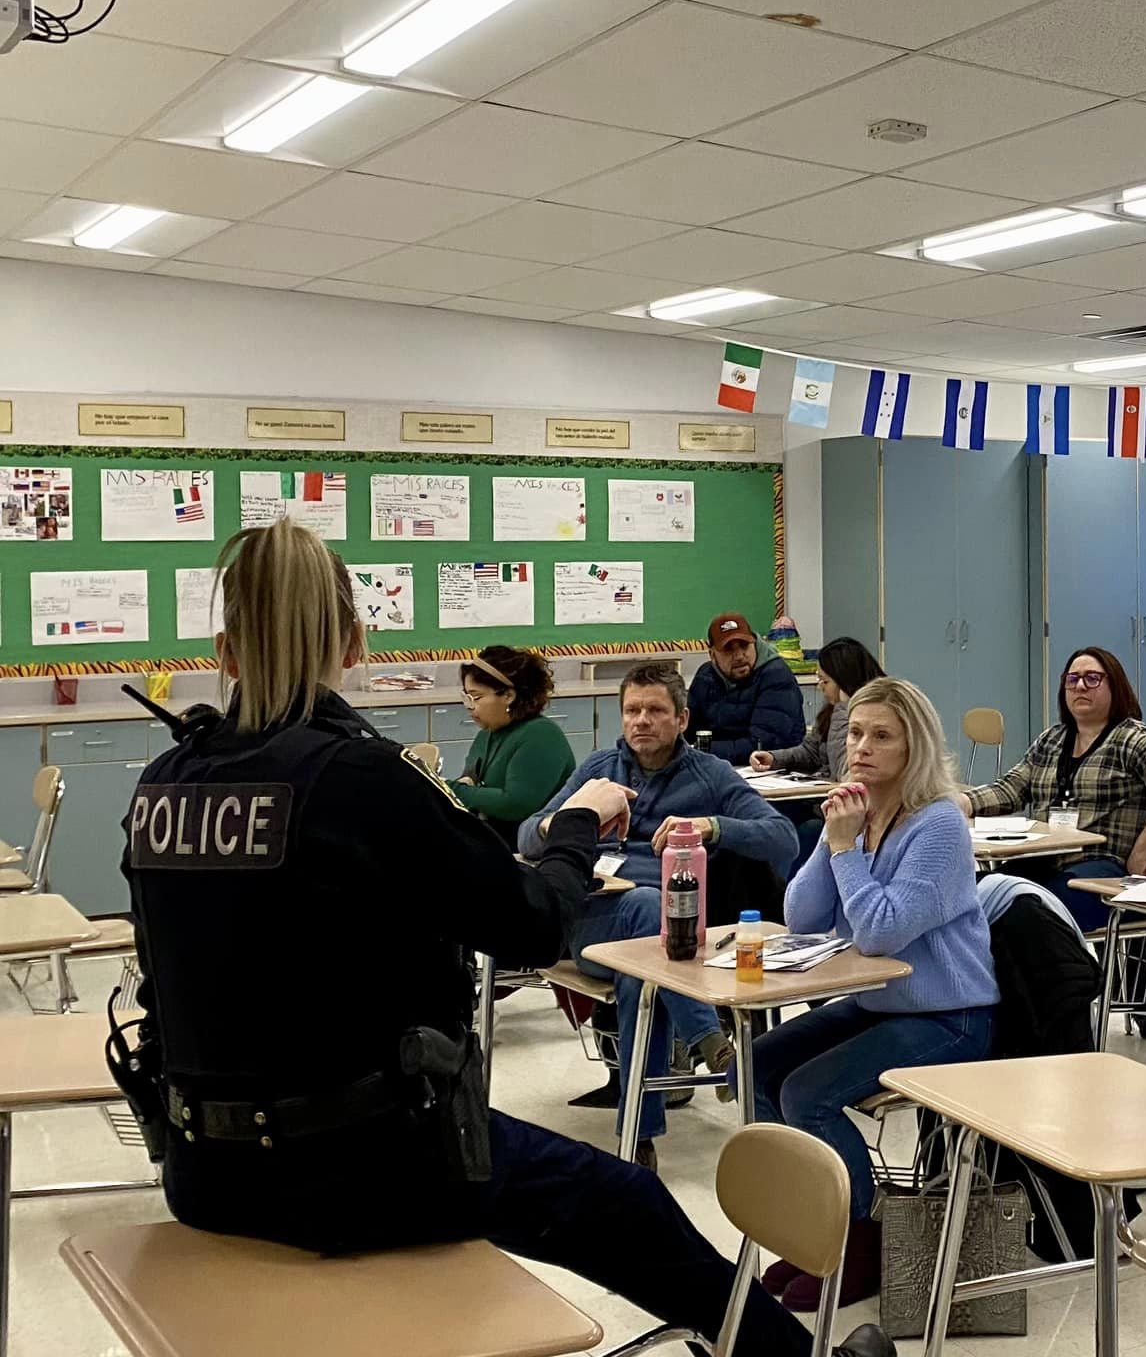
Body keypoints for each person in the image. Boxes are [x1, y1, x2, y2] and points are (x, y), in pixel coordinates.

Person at [116, 520, 890, 1357]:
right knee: (630, 1204)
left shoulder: (167, 783)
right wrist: (575, 829)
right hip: (365, 1166)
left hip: (203, 1171)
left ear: (225, 653)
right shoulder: (359, 776)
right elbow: (525, 924)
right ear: (352, 641)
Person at [750, 677, 997, 1312]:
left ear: (914, 747)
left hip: (951, 1017)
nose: (861, 746)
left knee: (808, 1094)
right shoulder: (858, 813)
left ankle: (859, 1243)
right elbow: (802, 917)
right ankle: (814, 1226)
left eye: (880, 736)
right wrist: (836, 840)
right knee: (757, 1063)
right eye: (856, 733)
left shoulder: (938, 826)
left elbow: (881, 934)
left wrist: (844, 851)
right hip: (880, 1005)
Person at [521, 664, 799, 1163]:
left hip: (672, 935)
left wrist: (712, 826)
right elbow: (526, 834)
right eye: (631, 710)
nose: (640, 721)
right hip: (594, 922)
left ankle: (638, 1140)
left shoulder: (709, 776)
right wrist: (570, 823)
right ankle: (708, 1037)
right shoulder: (598, 769)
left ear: (683, 718)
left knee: (642, 976)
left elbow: (782, 836)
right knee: (650, 913)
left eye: (654, 710)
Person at [959, 646, 1146, 930]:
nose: (1080, 686)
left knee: (1026, 912)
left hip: (1106, 868)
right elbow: (1012, 788)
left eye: (1092, 678)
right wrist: (962, 802)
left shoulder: (1132, 739)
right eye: (1072, 680)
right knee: (971, 893)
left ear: (1115, 686)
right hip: (1045, 860)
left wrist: (1141, 854)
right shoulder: (1053, 739)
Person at [751, 636, 885, 871]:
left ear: (845, 682)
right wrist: (774, 758)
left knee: (805, 830)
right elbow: (811, 750)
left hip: (853, 811)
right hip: (820, 800)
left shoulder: (870, 715)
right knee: (772, 817)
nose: (819, 686)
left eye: (825, 680)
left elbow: (846, 769)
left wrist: (845, 707)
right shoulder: (831, 712)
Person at [446, 645, 576, 848]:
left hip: (528, 849)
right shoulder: (486, 735)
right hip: (492, 842)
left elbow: (515, 804)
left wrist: (449, 788)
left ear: (508, 696)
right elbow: (470, 783)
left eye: (477, 697)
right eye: (467, 697)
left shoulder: (540, 735)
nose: (470, 706)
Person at [688, 611, 805, 763]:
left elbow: (762, 744)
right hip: (718, 768)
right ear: (712, 655)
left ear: (755, 643)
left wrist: (700, 750)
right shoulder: (705, 677)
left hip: (773, 772)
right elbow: (688, 733)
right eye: (728, 649)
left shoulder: (776, 676)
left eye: (744, 646)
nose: (739, 656)